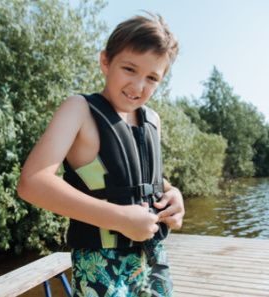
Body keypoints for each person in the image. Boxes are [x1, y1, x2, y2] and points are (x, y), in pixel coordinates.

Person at [17, 12, 184, 296]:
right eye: (129, 69)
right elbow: (32, 182)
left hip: (153, 257)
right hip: (101, 264)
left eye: (152, 77)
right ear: (105, 61)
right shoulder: (78, 110)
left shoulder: (152, 120)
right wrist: (120, 219)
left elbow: (139, 176)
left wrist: (173, 195)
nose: (138, 86)